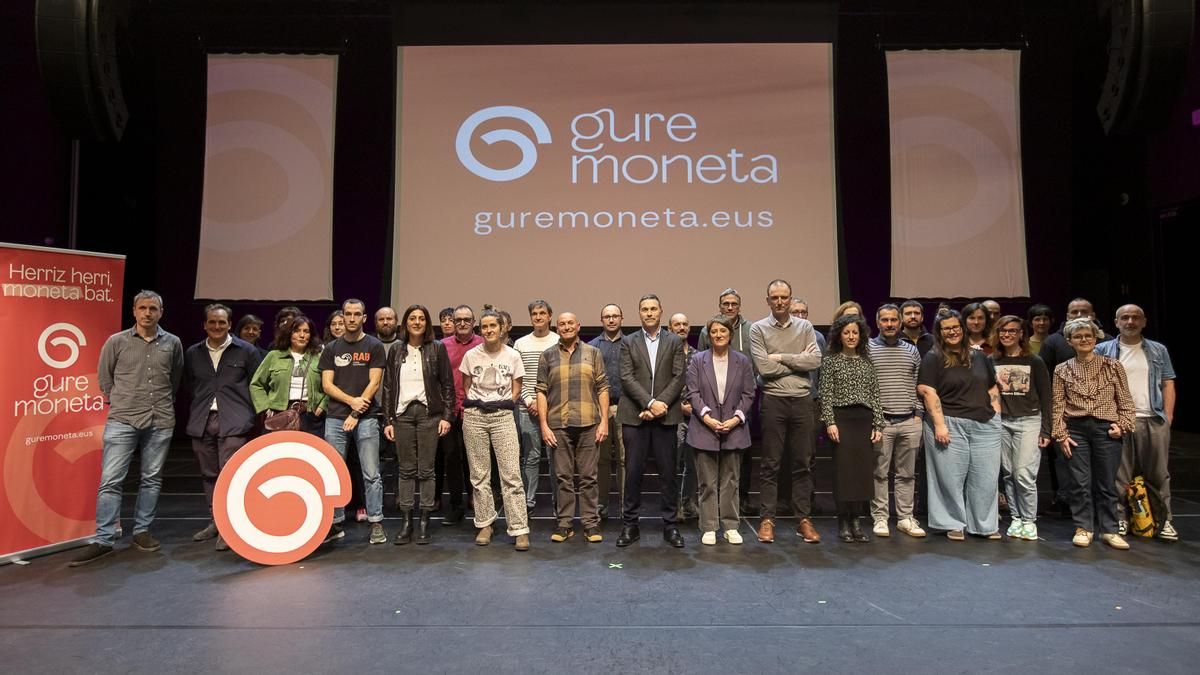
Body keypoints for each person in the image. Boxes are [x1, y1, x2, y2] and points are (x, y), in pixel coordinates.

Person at [71, 291, 184, 566]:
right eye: (143, 308)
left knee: (151, 479)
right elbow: (104, 377)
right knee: (111, 480)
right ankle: (104, 539)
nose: (148, 313)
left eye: (153, 308)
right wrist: (122, 401)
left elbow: (176, 377)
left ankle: (142, 531)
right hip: (123, 420)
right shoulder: (116, 341)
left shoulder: (173, 343)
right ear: (134, 311)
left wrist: (162, 402)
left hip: (160, 420)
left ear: (161, 312)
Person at [917, 310, 1003, 541]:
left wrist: (996, 415)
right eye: (946, 328)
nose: (952, 331)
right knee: (949, 478)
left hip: (985, 423)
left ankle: (984, 526)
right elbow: (928, 391)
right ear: (939, 332)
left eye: (956, 327)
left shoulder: (980, 357)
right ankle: (952, 522)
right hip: (950, 422)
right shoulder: (933, 357)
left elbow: (992, 387)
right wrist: (939, 424)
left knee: (986, 478)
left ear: (963, 329)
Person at [183, 303, 262, 551]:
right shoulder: (193, 353)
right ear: (205, 325)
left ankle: (230, 527)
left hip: (235, 421)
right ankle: (216, 521)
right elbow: (189, 385)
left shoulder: (246, 351)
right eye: (212, 322)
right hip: (202, 420)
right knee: (209, 475)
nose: (217, 326)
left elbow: (257, 384)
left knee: (231, 475)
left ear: (229, 325)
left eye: (222, 322)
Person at [750, 279, 823, 544]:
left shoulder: (805, 327)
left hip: (803, 400)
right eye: (775, 297)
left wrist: (780, 357)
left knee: (803, 462)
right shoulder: (758, 329)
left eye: (784, 297)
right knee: (771, 463)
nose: (780, 301)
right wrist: (798, 360)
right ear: (767, 300)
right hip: (774, 400)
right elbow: (764, 369)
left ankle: (803, 518)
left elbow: (815, 360)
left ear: (790, 299)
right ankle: (767, 519)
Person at [1052, 317, 1135, 549]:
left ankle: (1109, 530)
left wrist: (1123, 425)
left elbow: (1125, 401)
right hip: (1076, 429)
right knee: (1080, 482)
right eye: (1078, 336)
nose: (1084, 339)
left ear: (1095, 338)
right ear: (1069, 341)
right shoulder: (1062, 369)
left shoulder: (1113, 366)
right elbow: (1057, 405)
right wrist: (1061, 434)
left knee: (1107, 483)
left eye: (1088, 335)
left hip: (1106, 429)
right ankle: (1084, 527)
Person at [1096, 304, 1176, 540]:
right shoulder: (1103, 350)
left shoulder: (1158, 350)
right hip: (1118, 420)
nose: (1130, 321)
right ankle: (1120, 519)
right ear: (1116, 322)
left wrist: (1168, 416)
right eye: (1125, 317)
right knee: (1119, 475)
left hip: (1152, 418)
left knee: (1158, 474)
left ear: (1144, 321)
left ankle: (1164, 521)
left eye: (1135, 317)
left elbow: (1168, 382)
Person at [618, 294, 687, 548]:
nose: (649, 313)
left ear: (661, 311)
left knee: (668, 473)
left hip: (665, 417)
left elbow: (679, 377)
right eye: (644, 309)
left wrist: (660, 406)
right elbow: (626, 377)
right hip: (634, 416)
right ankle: (630, 525)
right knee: (633, 473)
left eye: (653, 309)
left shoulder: (674, 341)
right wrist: (649, 403)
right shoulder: (628, 341)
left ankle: (670, 526)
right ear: (639, 313)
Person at [381, 305, 454, 545]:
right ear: (405, 323)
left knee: (426, 470)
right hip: (402, 415)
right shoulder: (396, 349)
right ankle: (406, 522)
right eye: (412, 318)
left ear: (427, 323)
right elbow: (388, 387)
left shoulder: (437, 348)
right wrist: (387, 420)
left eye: (422, 318)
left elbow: (447, 384)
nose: (417, 322)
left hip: (428, 414)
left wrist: (447, 416)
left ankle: (424, 522)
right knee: (405, 470)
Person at [459, 310, 530, 550]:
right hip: (475, 417)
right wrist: (479, 404)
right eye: (485, 326)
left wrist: (502, 404)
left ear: (502, 329)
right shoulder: (471, 355)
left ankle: (519, 528)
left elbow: (517, 387)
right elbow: (466, 385)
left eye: (493, 326)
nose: (489, 330)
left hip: (502, 416)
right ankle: (485, 524)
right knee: (479, 475)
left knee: (511, 474)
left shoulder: (512, 355)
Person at [318, 298, 386, 545]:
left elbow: (374, 383)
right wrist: (351, 402)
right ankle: (335, 523)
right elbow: (327, 385)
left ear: (364, 318)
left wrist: (356, 413)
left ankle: (375, 521)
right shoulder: (331, 348)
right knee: (333, 471)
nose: (352, 318)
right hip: (335, 417)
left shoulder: (374, 345)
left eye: (357, 314)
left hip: (366, 418)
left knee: (371, 473)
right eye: (348, 314)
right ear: (343, 316)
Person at [538, 312, 611, 543]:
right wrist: (544, 425)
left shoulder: (593, 353)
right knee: (563, 478)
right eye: (562, 324)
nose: (567, 327)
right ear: (557, 328)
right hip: (558, 425)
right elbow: (541, 391)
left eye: (570, 323)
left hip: (589, 424)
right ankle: (565, 524)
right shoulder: (547, 355)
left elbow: (603, 387)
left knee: (589, 477)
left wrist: (604, 421)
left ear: (578, 326)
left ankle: (590, 524)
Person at [685, 315, 755, 545]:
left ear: (730, 334)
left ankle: (730, 526)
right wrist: (707, 418)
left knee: (731, 481)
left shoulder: (742, 361)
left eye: (722, 331)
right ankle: (709, 526)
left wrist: (735, 419)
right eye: (714, 331)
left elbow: (749, 393)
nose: (718, 335)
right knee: (707, 482)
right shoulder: (698, 360)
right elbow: (692, 393)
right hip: (704, 428)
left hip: (734, 429)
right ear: (709, 335)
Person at [819, 314, 884, 542]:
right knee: (844, 472)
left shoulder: (867, 361)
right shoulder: (831, 361)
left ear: (861, 335)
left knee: (861, 473)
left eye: (855, 332)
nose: (851, 336)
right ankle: (843, 521)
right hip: (842, 419)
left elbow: (875, 394)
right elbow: (825, 394)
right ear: (839, 335)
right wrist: (830, 422)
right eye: (846, 332)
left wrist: (878, 423)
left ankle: (856, 521)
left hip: (863, 419)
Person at [991, 315, 1052, 541]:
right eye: (1003, 331)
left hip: (1029, 420)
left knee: (1024, 474)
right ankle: (1016, 518)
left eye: (1012, 331)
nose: (1007, 334)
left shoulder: (1034, 361)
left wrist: (1046, 429)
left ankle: (1029, 520)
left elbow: (1046, 396)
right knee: (1008, 473)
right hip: (1002, 421)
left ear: (1021, 334)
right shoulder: (992, 360)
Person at [868, 304, 926, 538]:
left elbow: (918, 384)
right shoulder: (868, 348)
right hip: (881, 422)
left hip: (909, 420)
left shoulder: (912, 350)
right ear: (877, 322)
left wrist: (918, 415)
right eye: (885, 320)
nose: (889, 324)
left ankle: (905, 517)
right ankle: (880, 517)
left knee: (907, 474)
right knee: (879, 473)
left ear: (900, 322)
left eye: (893, 320)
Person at [440, 304, 483, 525]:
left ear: (474, 322)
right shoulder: (442, 346)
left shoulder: (483, 344)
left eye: (467, 319)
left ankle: (477, 501)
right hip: (449, 410)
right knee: (451, 458)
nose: (462, 323)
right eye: (458, 320)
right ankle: (456, 505)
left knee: (474, 459)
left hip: (475, 409)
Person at [514, 299, 559, 509]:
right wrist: (529, 400)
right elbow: (517, 377)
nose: (538, 317)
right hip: (527, 407)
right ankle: (528, 503)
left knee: (555, 457)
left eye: (542, 313)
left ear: (550, 316)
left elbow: (560, 377)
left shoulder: (558, 340)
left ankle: (558, 502)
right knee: (530, 457)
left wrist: (545, 403)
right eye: (534, 314)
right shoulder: (521, 343)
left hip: (553, 407)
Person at [250, 314, 324, 437]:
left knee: (306, 449)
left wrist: (322, 406)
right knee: (279, 448)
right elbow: (256, 384)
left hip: (310, 416)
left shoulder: (318, 357)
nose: (302, 335)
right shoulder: (274, 356)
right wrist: (265, 407)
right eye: (297, 331)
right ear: (289, 334)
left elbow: (330, 384)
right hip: (279, 414)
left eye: (306, 331)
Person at [589, 303, 626, 519]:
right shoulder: (592, 347)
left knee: (624, 459)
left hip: (625, 408)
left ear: (621, 318)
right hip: (599, 410)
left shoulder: (631, 344)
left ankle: (625, 505)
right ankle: (601, 505)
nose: (611, 320)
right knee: (601, 460)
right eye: (607, 316)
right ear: (601, 320)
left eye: (615, 316)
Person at [669, 312, 699, 520]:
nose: (681, 327)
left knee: (694, 464)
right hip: (674, 416)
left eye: (685, 324)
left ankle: (689, 502)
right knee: (672, 463)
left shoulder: (699, 356)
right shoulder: (666, 355)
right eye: (677, 324)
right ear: (669, 329)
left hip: (696, 416)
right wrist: (679, 406)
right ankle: (674, 506)